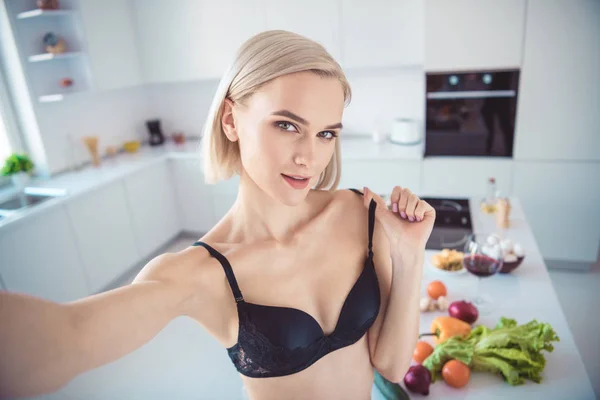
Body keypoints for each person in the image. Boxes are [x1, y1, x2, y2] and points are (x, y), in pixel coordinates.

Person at [0, 30, 435, 400]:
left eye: (325, 134)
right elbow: (69, 335)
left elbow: (392, 366)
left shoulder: (359, 214)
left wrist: (410, 253)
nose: (309, 157)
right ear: (231, 120)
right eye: (286, 125)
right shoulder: (202, 274)